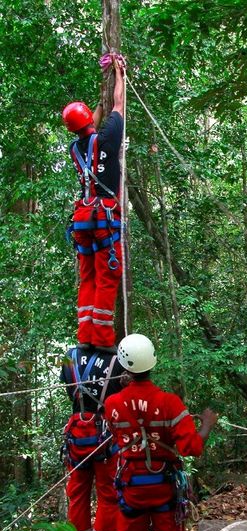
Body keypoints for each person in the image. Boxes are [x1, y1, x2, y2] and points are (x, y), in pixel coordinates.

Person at [103, 333, 218, 531]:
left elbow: (119, 434)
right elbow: (191, 447)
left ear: (125, 368)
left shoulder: (113, 403)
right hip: (165, 490)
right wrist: (206, 425)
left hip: (131, 489)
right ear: (152, 361)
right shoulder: (170, 403)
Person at [62, 54, 125, 351]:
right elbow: (118, 105)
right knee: (107, 277)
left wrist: (98, 98)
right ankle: (101, 341)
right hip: (105, 221)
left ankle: (85, 337)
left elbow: (92, 123)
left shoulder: (75, 149)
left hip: (83, 222)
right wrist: (119, 74)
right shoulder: (109, 139)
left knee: (87, 278)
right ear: (90, 119)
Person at [60, 344, 125, 531]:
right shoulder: (118, 361)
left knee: (77, 497)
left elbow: (68, 388)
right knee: (108, 499)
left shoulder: (69, 356)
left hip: (77, 435)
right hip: (105, 438)